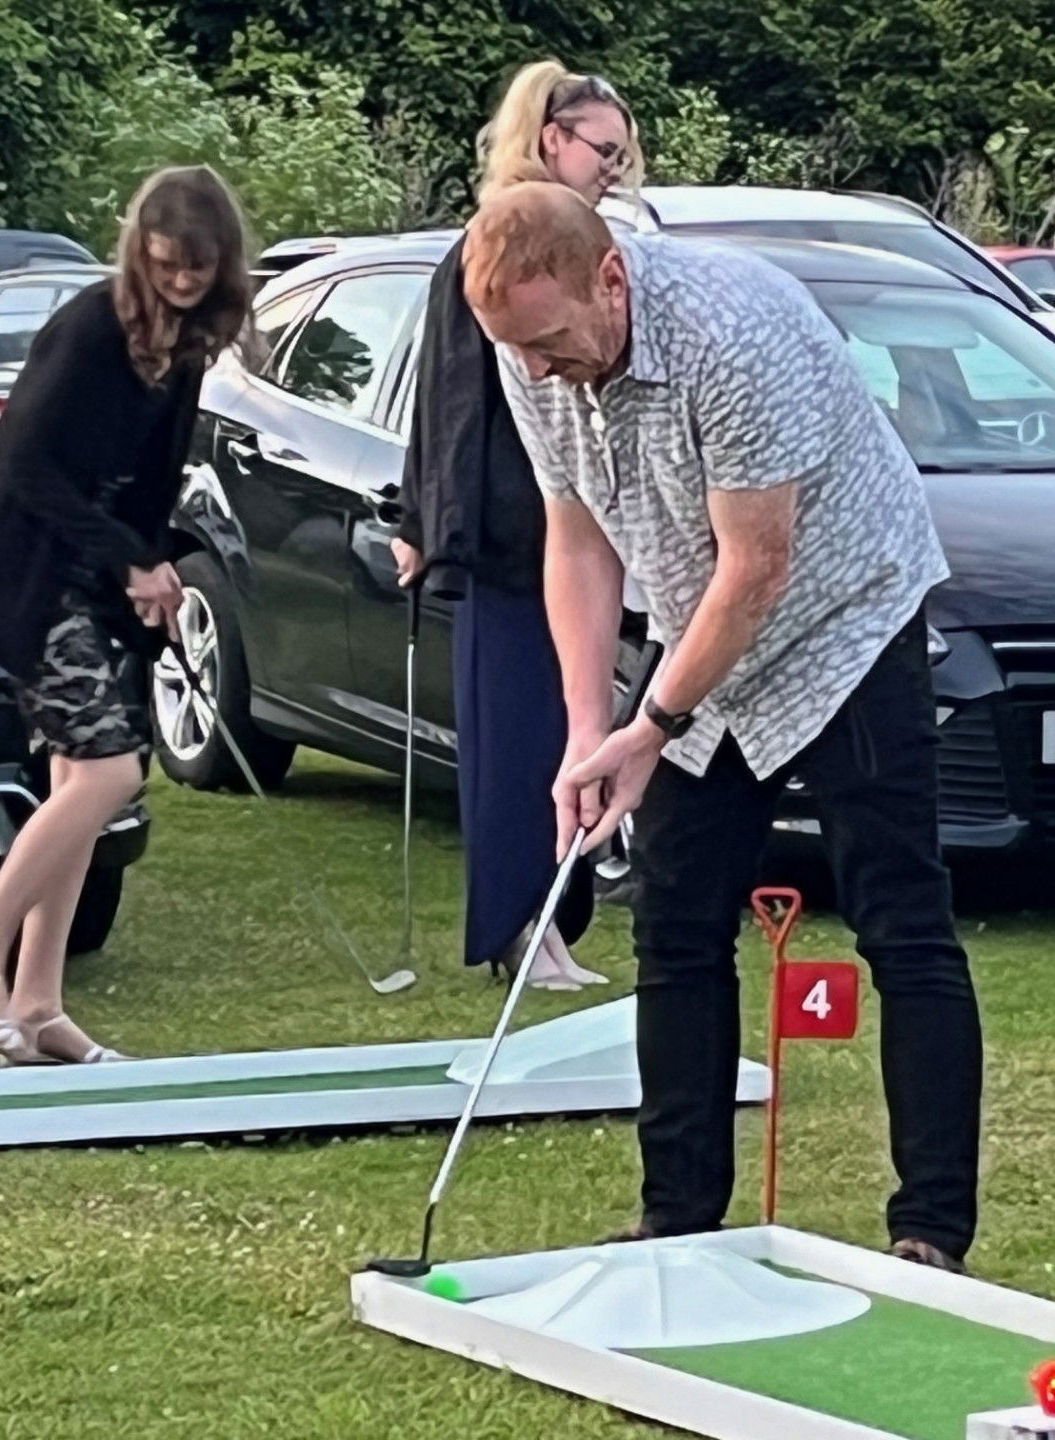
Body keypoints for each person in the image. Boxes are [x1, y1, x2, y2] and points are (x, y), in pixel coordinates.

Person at [463, 182, 983, 1268]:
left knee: (901, 921)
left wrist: (648, 725)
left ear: (610, 277)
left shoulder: (736, 332)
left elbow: (760, 568)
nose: (541, 368)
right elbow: (577, 542)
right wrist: (583, 726)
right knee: (677, 927)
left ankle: (931, 1226)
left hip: (845, 620)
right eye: (522, 350)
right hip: (698, 638)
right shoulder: (532, 354)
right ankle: (677, 1219)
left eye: (552, 341)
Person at [0, 167, 254, 1064]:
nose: (183, 281)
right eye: (168, 264)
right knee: (109, 776)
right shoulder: (88, 330)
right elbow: (25, 469)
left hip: (96, 584)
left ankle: (37, 1004)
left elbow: (151, 478)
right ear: (139, 250)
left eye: (200, 267)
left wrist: (161, 566)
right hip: (26, 577)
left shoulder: (188, 340)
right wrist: (127, 558)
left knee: (81, 785)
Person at [391, 62, 645, 991]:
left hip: (575, 533)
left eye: (624, 153)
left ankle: (553, 922)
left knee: (565, 731)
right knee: (513, 742)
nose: (616, 168)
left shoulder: (590, 252)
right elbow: (449, 403)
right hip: (509, 542)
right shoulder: (494, 248)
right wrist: (430, 523)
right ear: (551, 139)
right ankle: (516, 930)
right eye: (602, 150)